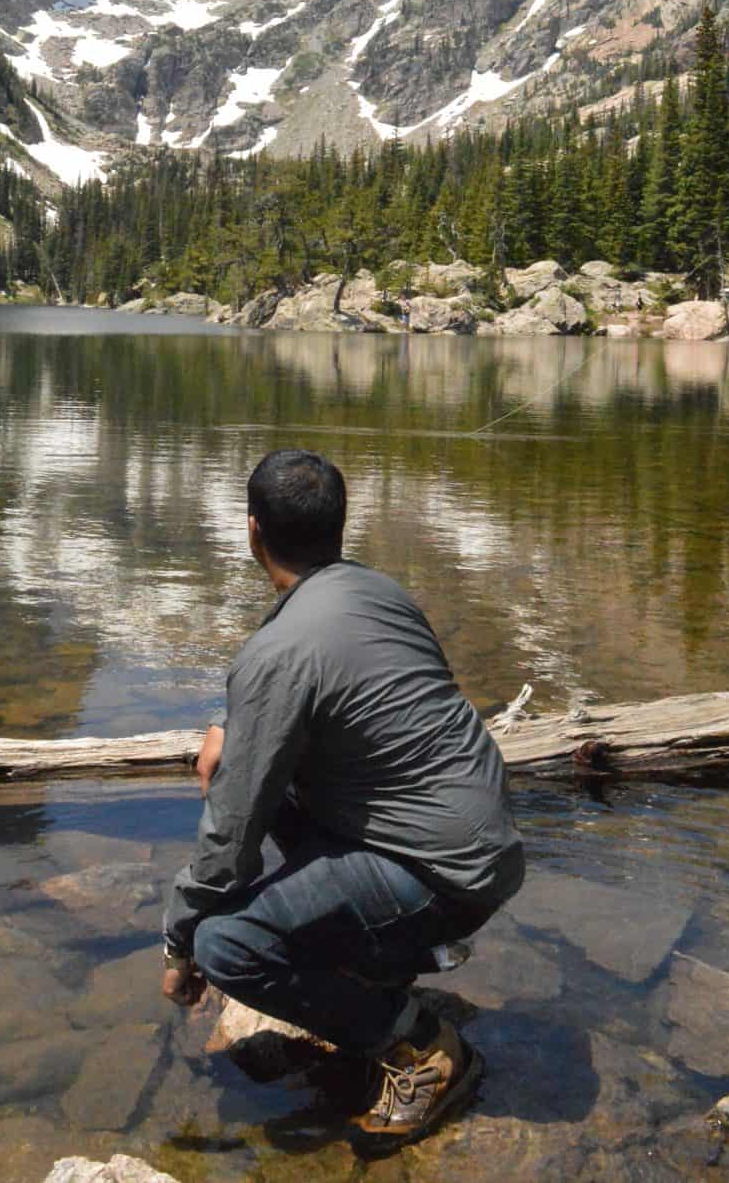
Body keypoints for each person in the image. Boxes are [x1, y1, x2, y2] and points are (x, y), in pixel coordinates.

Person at [161, 449, 524, 1148]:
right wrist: (237, 729)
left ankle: (420, 1043)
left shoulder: (276, 650)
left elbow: (228, 840)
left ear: (252, 532)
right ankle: (374, 962)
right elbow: (351, 704)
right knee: (268, 785)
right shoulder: (380, 592)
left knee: (227, 942)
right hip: (487, 842)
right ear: (339, 527)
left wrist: (180, 946)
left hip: (439, 872)